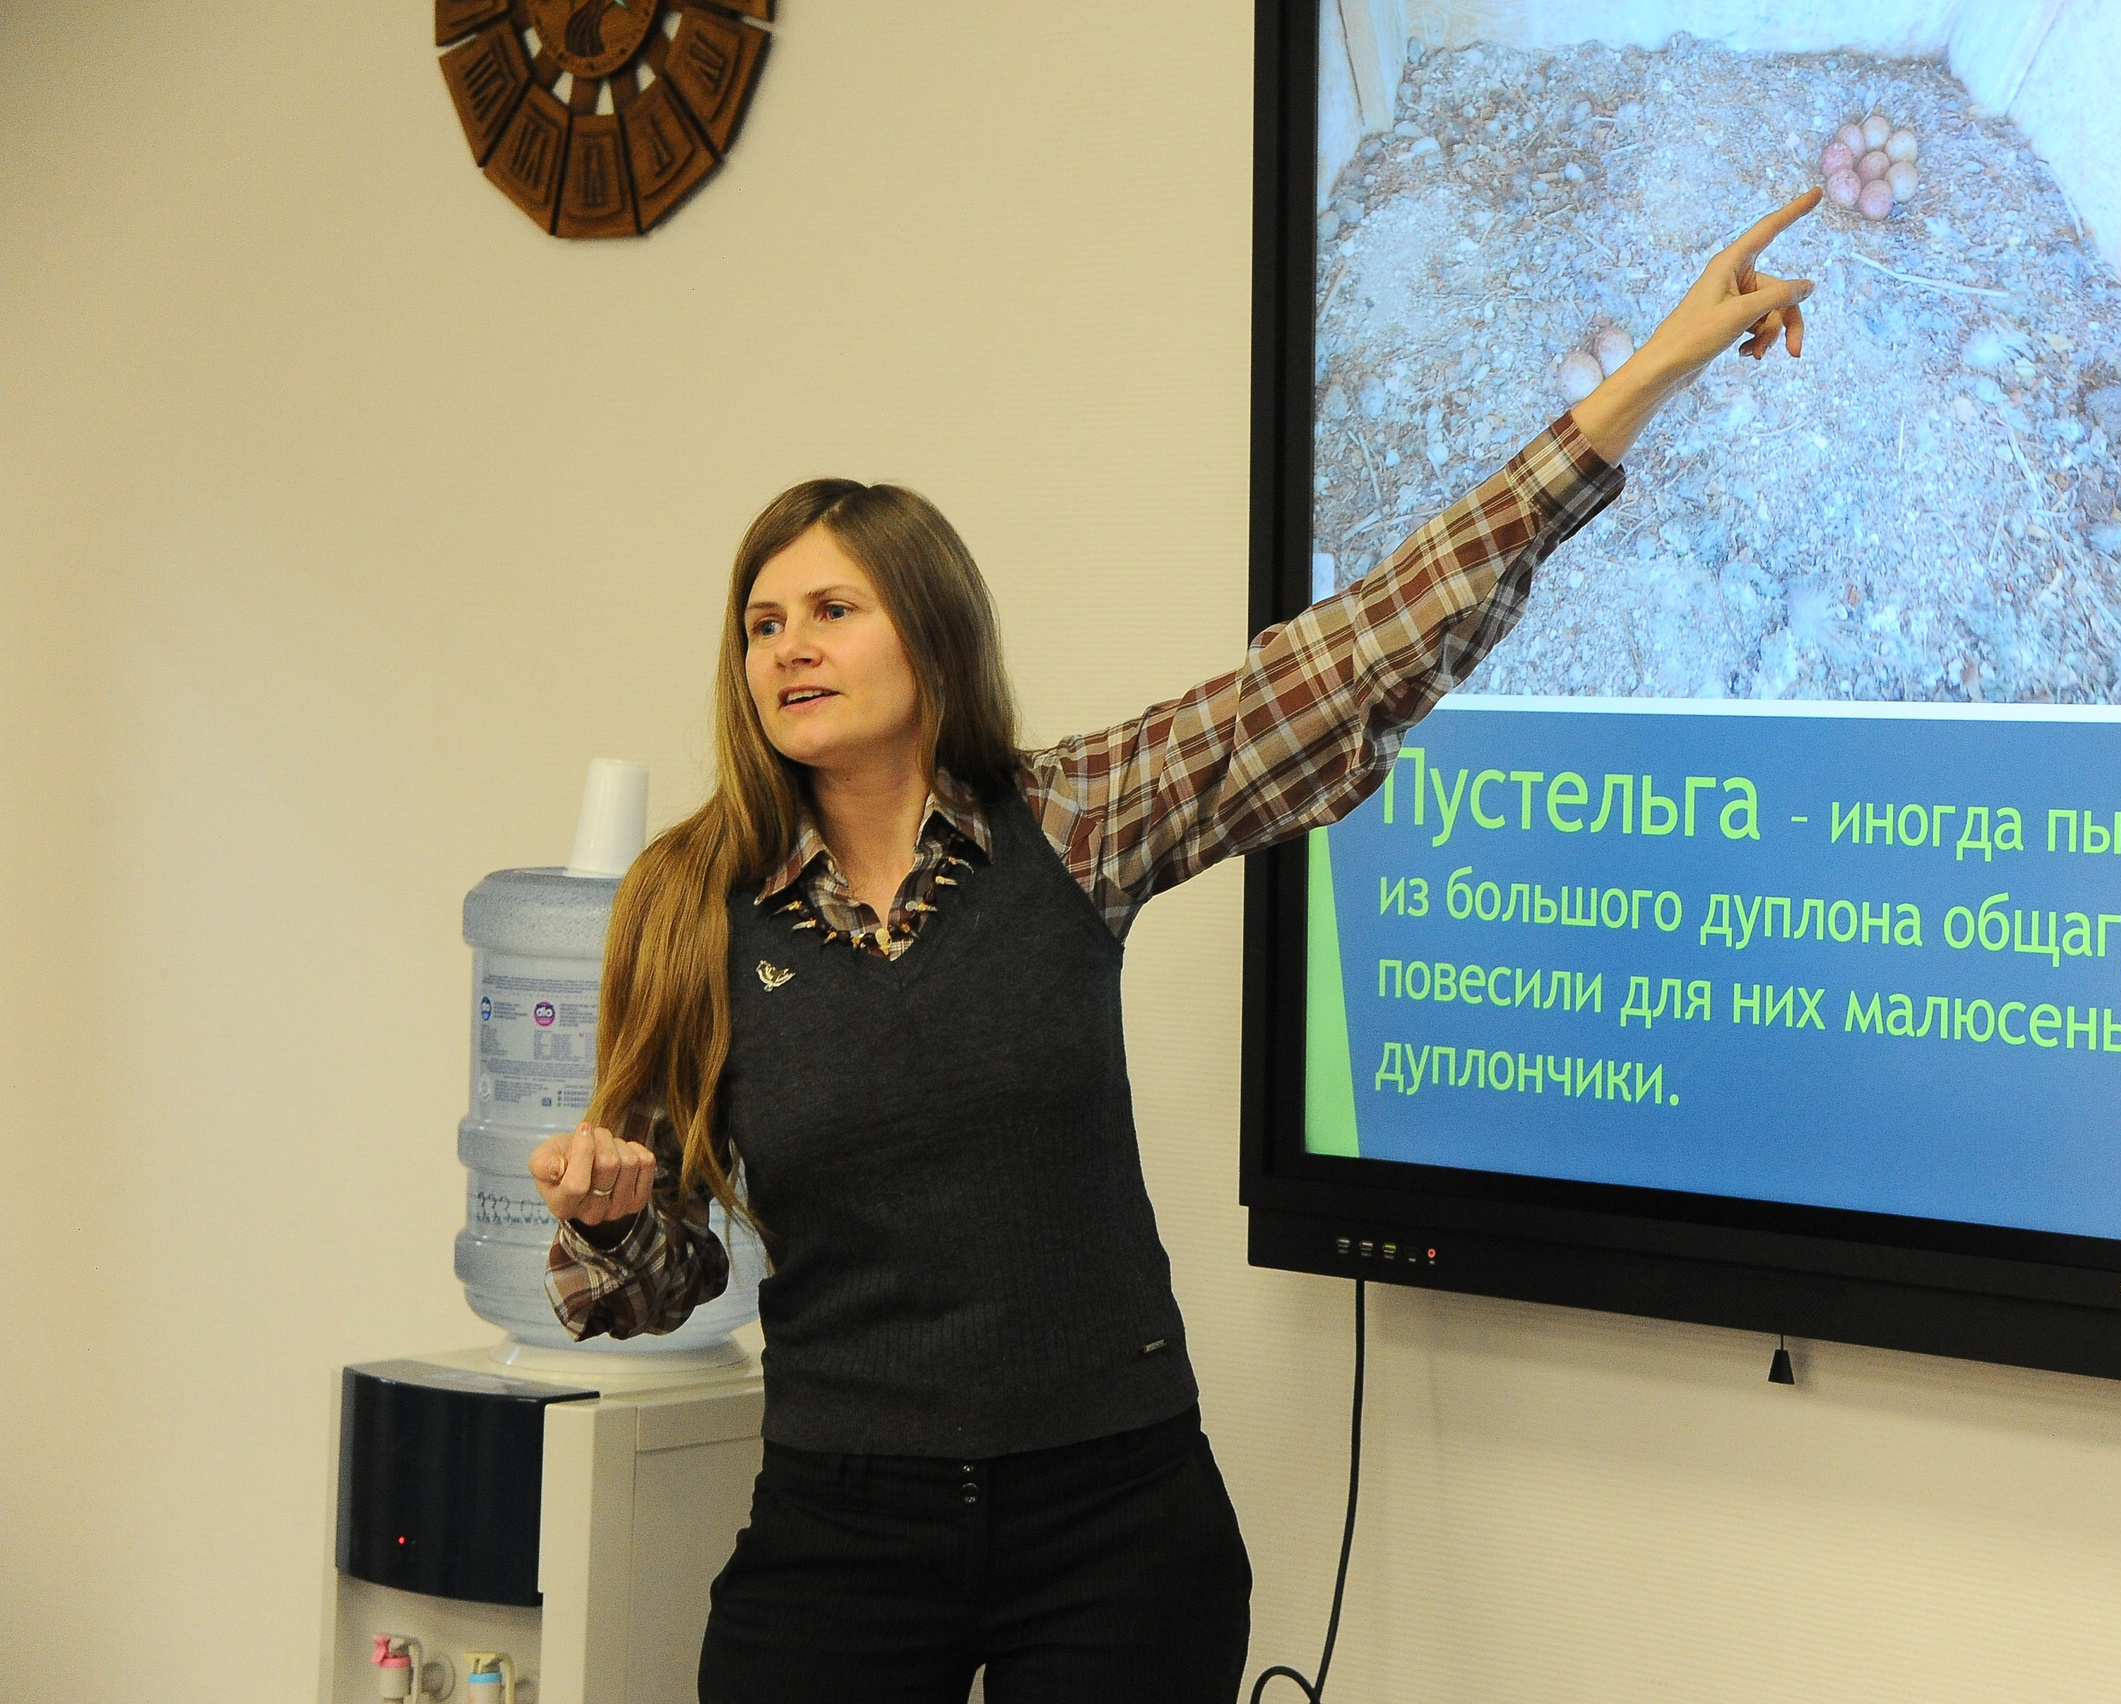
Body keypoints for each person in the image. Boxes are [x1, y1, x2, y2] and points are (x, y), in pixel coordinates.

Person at [527, 188, 1822, 1703]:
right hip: (838, 1525)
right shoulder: (692, 901)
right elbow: (655, 1285)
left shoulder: (1074, 818)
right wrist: (610, 1219)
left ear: (931, 637)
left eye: (831, 609)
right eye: (760, 624)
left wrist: (1646, 373)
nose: (787, 648)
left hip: (1113, 1521)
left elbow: (1363, 653)